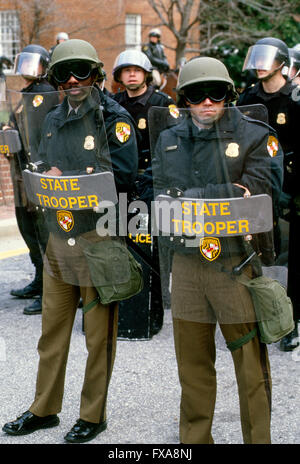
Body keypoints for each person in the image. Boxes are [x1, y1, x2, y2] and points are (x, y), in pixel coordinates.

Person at [2, 39, 138, 443]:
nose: (74, 79)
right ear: (55, 79)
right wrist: (44, 172)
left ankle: (93, 415)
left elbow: (126, 173)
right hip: (60, 237)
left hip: (98, 236)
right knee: (52, 331)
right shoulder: (52, 116)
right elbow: (42, 160)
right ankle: (43, 409)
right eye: (65, 73)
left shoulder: (115, 118)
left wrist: (72, 172)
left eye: (82, 71)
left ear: (97, 74)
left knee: (98, 336)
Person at [151, 56, 283, 443]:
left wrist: (188, 198)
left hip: (235, 262)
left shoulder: (255, 136)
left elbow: (259, 195)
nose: (207, 103)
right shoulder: (168, 139)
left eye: (216, 94)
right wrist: (222, 194)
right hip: (187, 262)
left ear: (230, 96)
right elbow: (156, 193)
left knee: (249, 364)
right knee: (191, 365)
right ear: (184, 99)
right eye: (196, 95)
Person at [237, 37, 300, 351]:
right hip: (254, 185)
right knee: (253, 253)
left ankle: (287, 323)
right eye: (257, 57)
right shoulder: (248, 97)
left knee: (283, 257)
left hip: (287, 189)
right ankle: (255, 318)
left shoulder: (294, 98)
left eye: (266, 58)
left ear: (281, 62)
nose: (260, 63)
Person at [112, 49, 176, 327]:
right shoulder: (113, 104)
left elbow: (174, 147)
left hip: (154, 182)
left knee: (154, 250)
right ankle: (125, 306)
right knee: (119, 244)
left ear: (147, 73)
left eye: (137, 70)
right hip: (120, 182)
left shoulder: (163, 104)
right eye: (126, 70)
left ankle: (155, 311)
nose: (132, 74)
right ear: (119, 76)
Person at [5, 44, 58, 315]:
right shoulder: (24, 94)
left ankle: (51, 287)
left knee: (44, 230)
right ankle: (39, 279)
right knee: (28, 229)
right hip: (21, 172)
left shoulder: (47, 92)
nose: (27, 68)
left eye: (33, 62)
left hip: (40, 172)